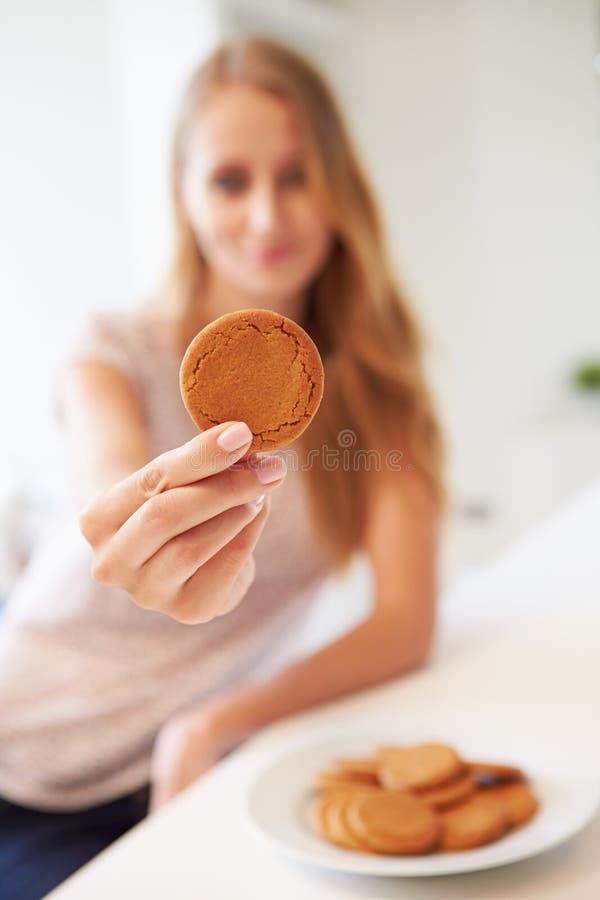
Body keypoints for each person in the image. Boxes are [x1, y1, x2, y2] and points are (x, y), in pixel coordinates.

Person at [0, 35, 444, 898]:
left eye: (296, 174)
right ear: (184, 197)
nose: (269, 217)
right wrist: (135, 520)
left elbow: (403, 620)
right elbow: (108, 470)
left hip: (196, 771)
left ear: (339, 186)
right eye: (231, 180)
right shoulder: (114, 352)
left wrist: (215, 722)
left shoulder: (374, 405)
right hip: (23, 752)